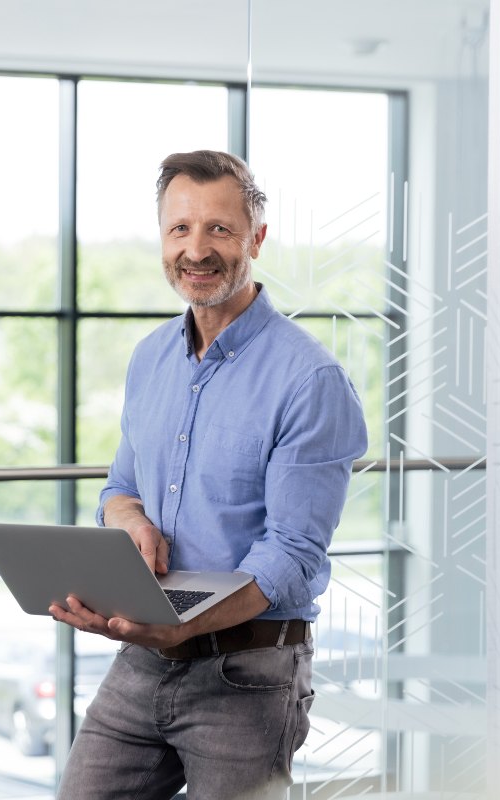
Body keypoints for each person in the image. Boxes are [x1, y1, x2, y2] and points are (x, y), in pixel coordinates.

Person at [50, 150, 368, 800]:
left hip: (248, 674)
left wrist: (186, 625)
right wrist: (131, 520)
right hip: (142, 660)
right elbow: (118, 491)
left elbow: (293, 557)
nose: (197, 249)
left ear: (256, 237)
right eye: (180, 229)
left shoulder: (309, 381)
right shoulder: (150, 359)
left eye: (219, 229)